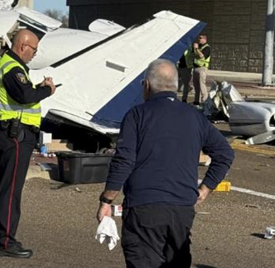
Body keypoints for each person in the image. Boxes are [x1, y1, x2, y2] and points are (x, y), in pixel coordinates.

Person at [96, 59, 234, 268]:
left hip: (144, 206)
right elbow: (225, 153)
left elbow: (124, 160)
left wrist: (107, 199)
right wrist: (205, 188)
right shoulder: (194, 116)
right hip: (182, 208)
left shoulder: (137, 115)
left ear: (147, 85)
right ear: (176, 86)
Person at [0, 29, 56, 258]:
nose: (34, 54)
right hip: (15, 133)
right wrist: (46, 89)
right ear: (23, 45)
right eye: (34, 49)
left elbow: (22, 94)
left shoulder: (7, 66)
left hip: (9, 131)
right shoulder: (12, 68)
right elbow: (24, 96)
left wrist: (36, 88)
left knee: (5, 187)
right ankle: (4, 242)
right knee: (11, 190)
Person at [191, 35, 211, 105]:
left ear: (204, 39)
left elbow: (201, 56)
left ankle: (205, 100)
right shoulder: (200, 47)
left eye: (200, 38)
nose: (198, 39)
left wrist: (196, 49)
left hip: (202, 68)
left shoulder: (207, 48)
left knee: (202, 85)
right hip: (195, 68)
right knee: (196, 86)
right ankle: (196, 101)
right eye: (198, 38)